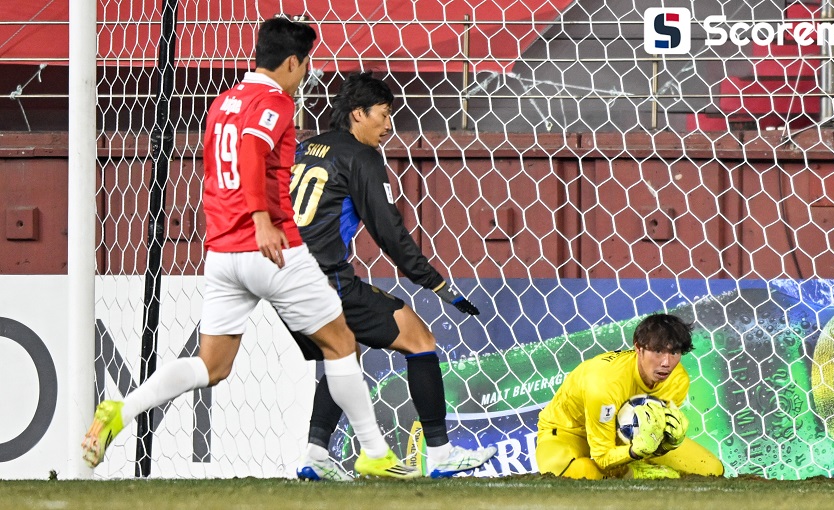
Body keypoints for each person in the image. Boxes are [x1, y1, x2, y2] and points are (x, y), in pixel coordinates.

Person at [81, 18, 417, 479]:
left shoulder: (223, 102)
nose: (306, 74)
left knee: (212, 365)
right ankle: (375, 452)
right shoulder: (274, 101)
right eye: (306, 64)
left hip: (222, 253)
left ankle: (122, 409)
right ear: (293, 62)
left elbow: (219, 167)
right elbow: (252, 152)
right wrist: (261, 220)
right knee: (342, 342)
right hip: (271, 248)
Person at [286, 71, 496, 480]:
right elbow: (390, 232)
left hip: (282, 277)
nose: (387, 126)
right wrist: (435, 283)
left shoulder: (303, 148)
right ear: (358, 113)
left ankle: (315, 455)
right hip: (323, 279)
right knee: (419, 339)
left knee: (343, 352)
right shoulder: (361, 157)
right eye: (382, 115)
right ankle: (441, 454)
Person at [535, 313, 724, 479]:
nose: (666, 363)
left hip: (623, 438)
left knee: (711, 470)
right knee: (581, 472)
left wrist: (666, 444)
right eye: (658, 351)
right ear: (638, 348)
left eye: (674, 352)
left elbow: (647, 435)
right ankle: (632, 474)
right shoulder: (604, 383)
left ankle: (629, 472)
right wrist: (634, 456)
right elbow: (602, 457)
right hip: (568, 433)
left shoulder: (678, 380)